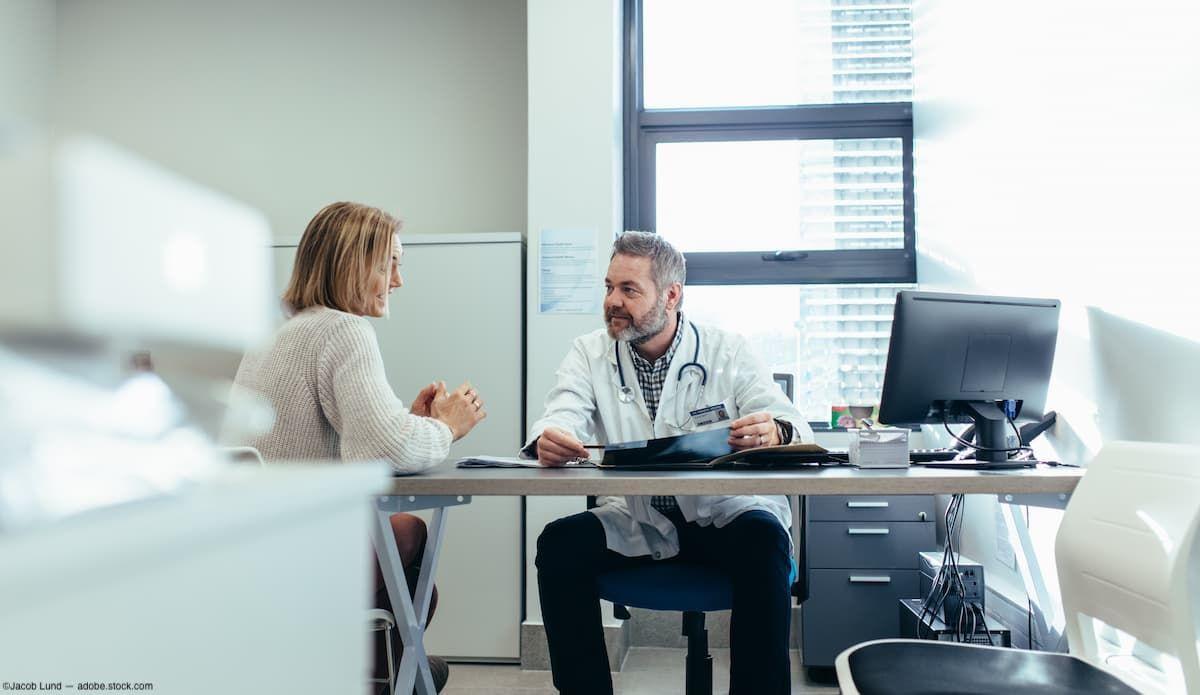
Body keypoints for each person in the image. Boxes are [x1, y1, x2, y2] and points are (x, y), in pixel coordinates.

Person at [528, 231, 813, 695]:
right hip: (640, 518)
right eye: (608, 287)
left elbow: (792, 423)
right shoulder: (590, 352)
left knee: (765, 542)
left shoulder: (727, 350)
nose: (613, 302)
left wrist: (774, 430)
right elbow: (563, 412)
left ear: (672, 294)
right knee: (560, 545)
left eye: (629, 290)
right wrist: (551, 437)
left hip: (725, 515)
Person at [227, 201, 486, 693]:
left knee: (400, 543)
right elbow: (382, 453)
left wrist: (409, 423)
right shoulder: (344, 330)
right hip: (298, 556)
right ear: (353, 262)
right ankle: (390, 674)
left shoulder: (272, 334)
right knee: (411, 545)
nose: (398, 281)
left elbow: (353, 439)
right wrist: (448, 428)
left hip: (250, 550)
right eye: (391, 263)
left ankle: (387, 672)